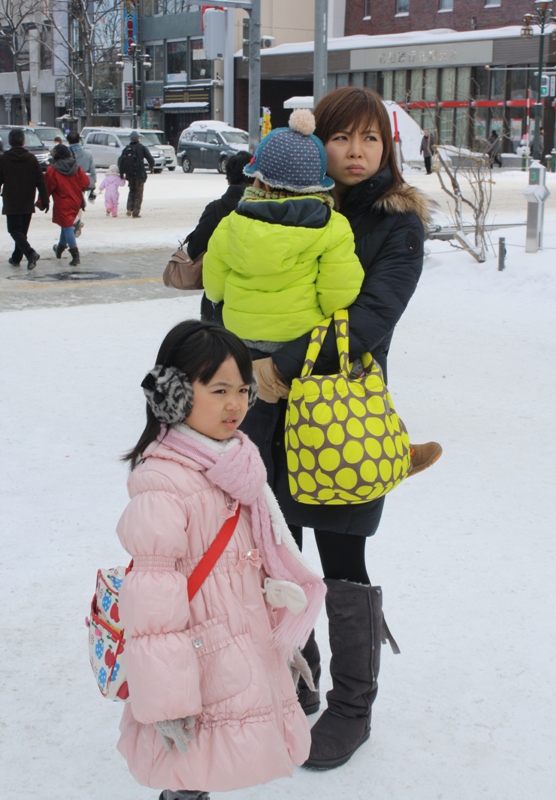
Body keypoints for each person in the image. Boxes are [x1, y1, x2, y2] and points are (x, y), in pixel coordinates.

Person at [239, 86, 438, 770]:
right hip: (267, 420)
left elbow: (369, 320)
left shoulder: (395, 224)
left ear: (388, 148)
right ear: (314, 142)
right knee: (278, 560)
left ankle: (353, 708)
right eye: (342, 138)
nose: (357, 153)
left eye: (371, 139)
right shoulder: (279, 204)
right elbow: (232, 286)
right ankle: (299, 686)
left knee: (343, 562)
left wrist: (282, 364)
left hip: (343, 420)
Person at [116, 320, 326, 800]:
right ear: (174, 396)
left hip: (235, 646)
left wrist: (276, 630)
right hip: (194, 660)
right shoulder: (164, 483)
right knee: (187, 774)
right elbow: (153, 604)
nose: (236, 404)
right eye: (218, 390)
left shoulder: (237, 463)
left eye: (243, 390)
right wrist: (167, 700)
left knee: (205, 769)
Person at [203, 109, 365, 346]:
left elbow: (214, 289)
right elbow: (338, 296)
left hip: (239, 337)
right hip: (302, 341)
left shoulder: (230, 223)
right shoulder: (333, 227)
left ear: (262, 183)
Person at [187, 150, 253, 322]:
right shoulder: (270, 209)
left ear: (228, 178)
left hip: (216, 299)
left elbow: (194, 251)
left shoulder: (216, 209)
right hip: (256, 301)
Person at [0, 128, 49, 270]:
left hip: (11, 200)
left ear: (9, 141)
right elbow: (40, 181)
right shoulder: (31, 159)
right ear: (23, 141)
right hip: (28, 199)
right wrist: (45, 200)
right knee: (22, 232)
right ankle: (16, 258)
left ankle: (30, 253)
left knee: (14, 230)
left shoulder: (3, 159)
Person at [43, 144, 90, 266]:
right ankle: (59, 248)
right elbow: (85, 183)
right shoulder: (76, 167)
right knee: (66, 224)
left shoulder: (53, 170)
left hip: (62, 201)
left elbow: (48, 187)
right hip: (75, 201)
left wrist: (41, 201)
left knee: (68, 226)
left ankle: (75, 254)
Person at [118, 130, 154, 218]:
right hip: (139, 174)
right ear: (138, 139)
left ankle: (129, 209)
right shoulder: (142, 148)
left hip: (130, 175)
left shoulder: (126, 149)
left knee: (131, 191)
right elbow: (150, 159)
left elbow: (120, 161)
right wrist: (151, 167)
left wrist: (122, 173)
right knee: (139, 193)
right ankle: (136, 212)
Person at [67, 131, 97, 235]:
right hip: (82, 182)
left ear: (68, 141)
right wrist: (94, 181)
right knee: (79, 202)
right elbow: (92, 169)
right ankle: (77, 222)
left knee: (69, 203)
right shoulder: (87, 154)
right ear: (79, 140)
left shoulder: (66, 153)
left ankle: (74, 222)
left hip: (68, 181)